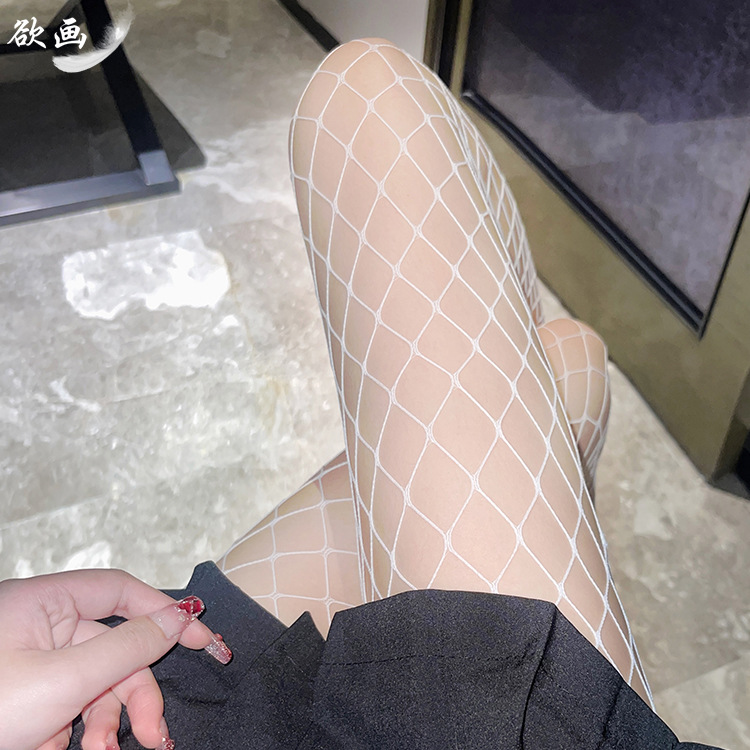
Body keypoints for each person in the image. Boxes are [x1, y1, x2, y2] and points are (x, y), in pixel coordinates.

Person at [1, 39, 723, 750]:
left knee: (570, 362)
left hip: (135, 713)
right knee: (366, 95)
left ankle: (570, 627)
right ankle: (574, 641)